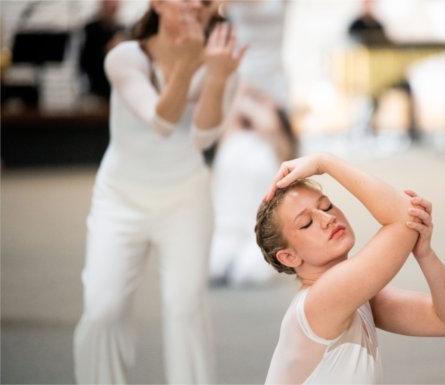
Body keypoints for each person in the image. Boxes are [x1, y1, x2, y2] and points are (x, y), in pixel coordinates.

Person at [73, 0, 245, 383]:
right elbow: (161, 121)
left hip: (185, 198)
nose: (196, 7)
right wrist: (188, 62)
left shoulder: (221, 61)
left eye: (205, 2)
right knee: (102, 309)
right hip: (120, 198)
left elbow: (203, 136)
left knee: (185, 310)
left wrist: (216, 76)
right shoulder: (124, 56)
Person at [257, 153, 445, 383]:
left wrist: (425, 254)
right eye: (306, 223)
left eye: (327, 205)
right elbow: (405, 217)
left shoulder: (356, 300)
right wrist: (325, 162)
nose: (326, 218)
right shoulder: (322, 299)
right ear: (289, 257)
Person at [210, 89, 297, 286]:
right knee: (214, 267)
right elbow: (230, 110)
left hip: (258, 231)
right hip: (228, 228)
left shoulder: (276, 140)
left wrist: (258, 101)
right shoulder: (231, 135)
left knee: (248, 273)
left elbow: (268, 124)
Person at [79, 0, 125, 101]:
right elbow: (85, 61)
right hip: (97, 86)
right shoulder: (91, 29)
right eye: (110, 4)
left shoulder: (121, 29)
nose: (113, 8)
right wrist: (107, 50)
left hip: (116, 87)